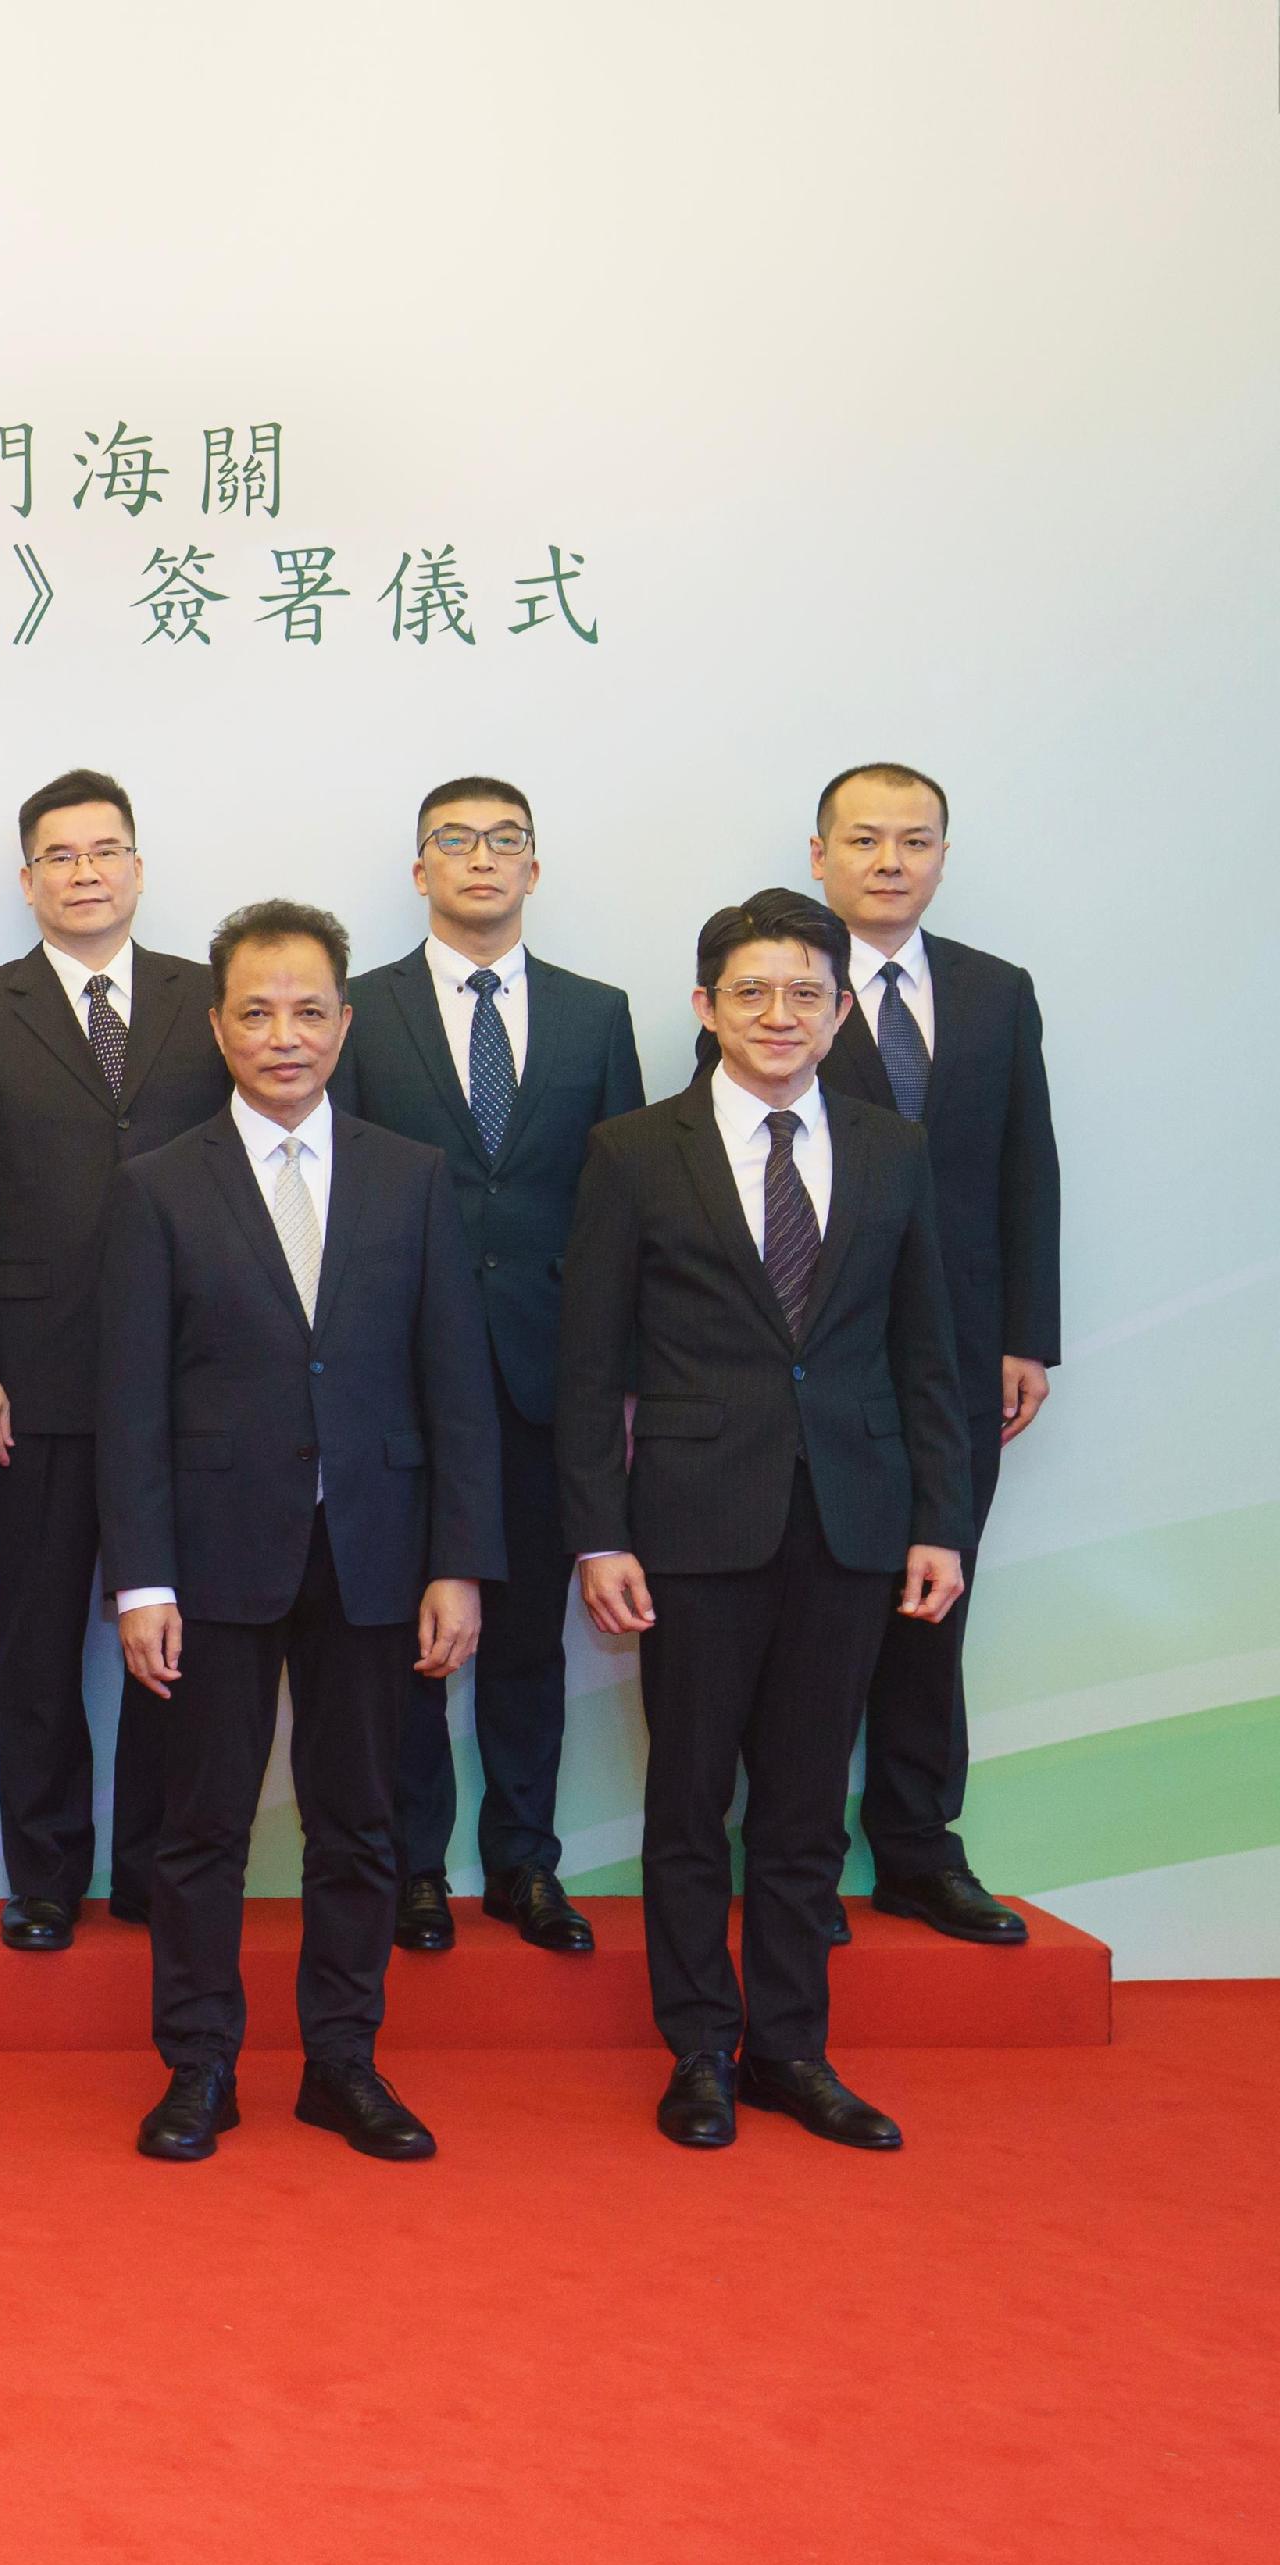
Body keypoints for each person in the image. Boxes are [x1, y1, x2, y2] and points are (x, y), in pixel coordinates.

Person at [561, 889, 971, 2152]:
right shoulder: (635, 1150)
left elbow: (926, 1355)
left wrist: (938, 1523)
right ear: (705, 1007)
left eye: (803, 992)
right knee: (690, 1799)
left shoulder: (889, 1148)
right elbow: (587, 1363)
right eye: (750, 992)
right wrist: (599, 1532)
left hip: (851, 1520)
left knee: (803, 1805)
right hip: (689, 1525)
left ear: (839, 1009)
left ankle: (792, 2047)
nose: (777, 1014)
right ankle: (696, 2049)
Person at [102, 903, 505, 2163]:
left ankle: (342, 2063)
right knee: (201, 1828)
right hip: (214, 1558)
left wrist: (458, 1562)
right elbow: (130, 1406)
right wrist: (140, 1584)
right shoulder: (157, 1187)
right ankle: (200, 2067)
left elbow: (456, 1385)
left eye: (309, 1010)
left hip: (379, 1553)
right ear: (218, 1027)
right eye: (257, 1012)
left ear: (343, 1021)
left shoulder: (410, 1176)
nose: (286, 1036)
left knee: (360, 1823)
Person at [325, 780, 644, 1956]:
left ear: (534, 869)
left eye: (503, 841)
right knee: (408, 1640)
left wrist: (617, 1383)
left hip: (543, 1380)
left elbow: (620, 1210)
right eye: (453, 842)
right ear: (419, 870)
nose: (479, 859)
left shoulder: (593, 1014)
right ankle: (414, 1866)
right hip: (396, 1387)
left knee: (524, 1641)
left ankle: (524, 1864)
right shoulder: (356, 1010)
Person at [0, 769, 232, 1950]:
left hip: (193, 1380)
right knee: (39, 1640)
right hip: (32, 1383)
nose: (84, 873)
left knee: (176, 1634)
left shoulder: (212, 1001)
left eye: (105, 851)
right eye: (59, 855)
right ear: (26, 879)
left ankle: (156, 1868)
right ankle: (46, 1873)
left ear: (139, 869)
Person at [805, 763, 1061, 1944]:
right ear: (821, 857)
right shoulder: (783, 984)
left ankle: (915, 1848)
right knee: (814, 1607)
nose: (889, 860)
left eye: (914, 840)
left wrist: (1025, 1336)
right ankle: (798, 1859)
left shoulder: (995, 990)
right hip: (826, 1356)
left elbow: (1027, 1168)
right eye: (864, 839)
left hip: (961, 1354)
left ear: (944, 858)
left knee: (934, 1600)